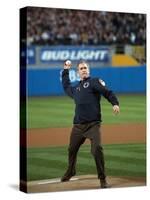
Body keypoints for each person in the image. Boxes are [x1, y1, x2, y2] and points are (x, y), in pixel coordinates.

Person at [61, 60, 120, 188]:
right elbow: (66, 86)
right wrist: (65, 70)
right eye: (81, 68)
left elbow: (107, 92)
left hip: (93, 125)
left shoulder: (94, 82)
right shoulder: (76, 88)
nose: (84, 70)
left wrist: (115, 103)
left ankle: (102, 178)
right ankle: (71, 170)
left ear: (89, 70)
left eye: (85, 68)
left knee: (96, 149)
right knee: (72, 149)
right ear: (78, 72)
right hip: (78, 126)